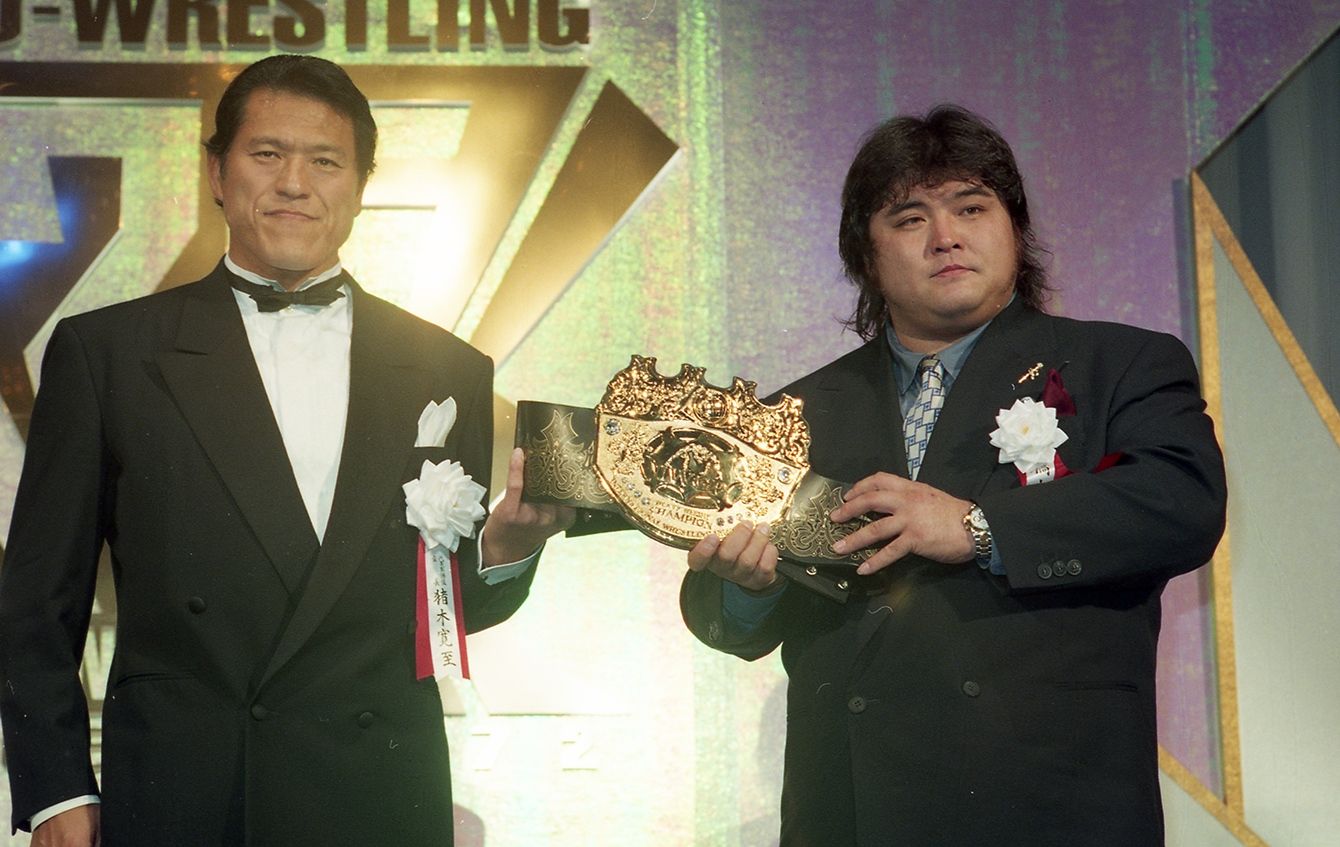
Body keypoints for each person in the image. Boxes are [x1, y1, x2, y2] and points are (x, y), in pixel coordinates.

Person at [0, 55, 571, 846]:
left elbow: (434, 618)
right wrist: (56, 787)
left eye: (325, 161)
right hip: (186, 797)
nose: (295, 183)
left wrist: (506, 548)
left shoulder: (448, 369)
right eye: (267, 154)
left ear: (361, 187)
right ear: (217, 172)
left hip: (379, 796)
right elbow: (37, 599)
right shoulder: (110, 354)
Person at [680, 105, 1226, 846]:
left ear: (1014, 230)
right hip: (855, 809)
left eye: (972, 207)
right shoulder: (794, 414)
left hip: (1051, 800)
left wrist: (979, 527)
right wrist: (749, 586)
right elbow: (724, 620)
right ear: (865, 256)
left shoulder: (1119, 363)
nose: (946, 237)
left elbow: (1181, 502)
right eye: (910, 218)